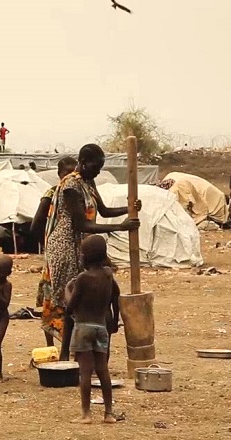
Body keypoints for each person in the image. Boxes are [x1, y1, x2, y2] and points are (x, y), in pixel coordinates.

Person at [42, 144, 140, 361]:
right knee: (70, 301)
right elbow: (81, 224)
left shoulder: (88, 182)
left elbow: (103, 211)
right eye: (96, 166)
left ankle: (77, 353)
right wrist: (121, 227)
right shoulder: (71, 186)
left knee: (82, 296)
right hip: (65, 247)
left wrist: (130, 209)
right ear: (83, 162)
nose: (98, 171)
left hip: (81, 245)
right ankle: (66, 355)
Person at [65, 236, 118, 424]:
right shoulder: (107, 274)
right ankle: (109, 413)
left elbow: (70, 307)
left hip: (83, 328)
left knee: (85, 372)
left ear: (85, 256)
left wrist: (67, 289)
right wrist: (115, 320)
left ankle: (86, 414)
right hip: (101, 327)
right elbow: (116, 295)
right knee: (103, 370)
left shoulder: (83, 278)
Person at [31, 156, 78, 347]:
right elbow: (35, 225)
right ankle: (51, 347)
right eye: (67, 172)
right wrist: (53, 240)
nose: (71, 176)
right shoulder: (51, 194)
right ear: (59, 174)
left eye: (74, 172)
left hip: (74, 253)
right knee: (52, 302)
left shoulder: (78, 192)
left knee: (71, 301)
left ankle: (69, 346)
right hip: (58, 254)